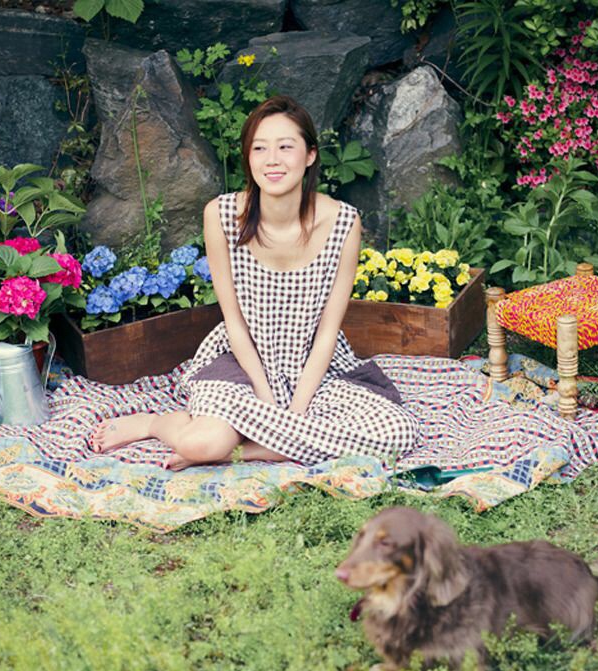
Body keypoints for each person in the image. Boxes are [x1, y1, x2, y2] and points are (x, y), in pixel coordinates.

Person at [91, 95, 419, 470]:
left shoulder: (343, 222)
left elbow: (328, 332)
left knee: (396, 432)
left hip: (313, 366)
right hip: (241, 360)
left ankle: (251, 450)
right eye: (260, 148)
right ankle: (152, 424)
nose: (272, 160)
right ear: (248, 156)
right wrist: (266, 399)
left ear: (310, 155)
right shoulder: (222, 215)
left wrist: (293, 414)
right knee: (203, 441)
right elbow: (233, 321)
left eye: (285, 147)